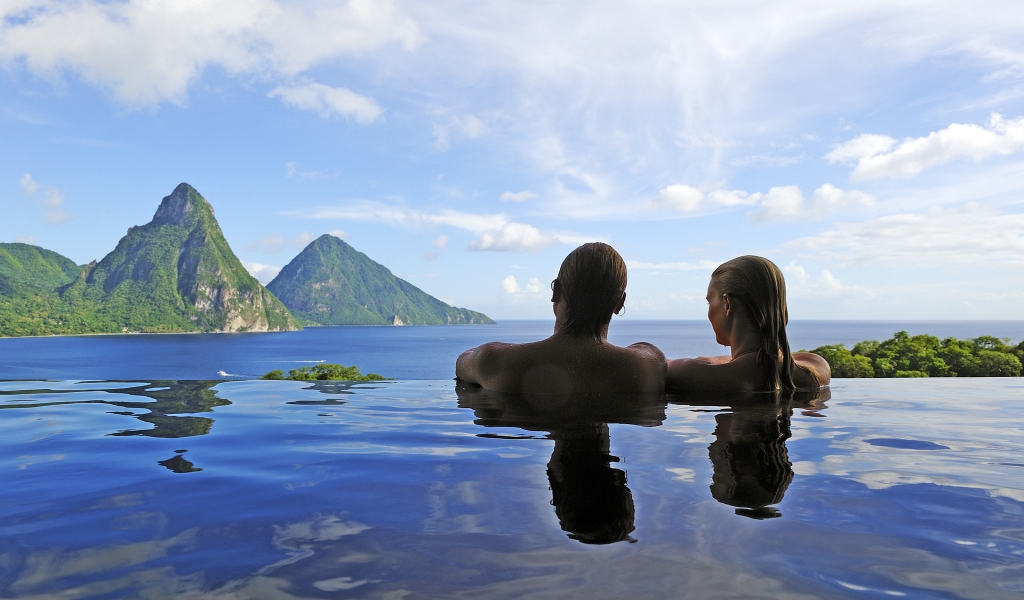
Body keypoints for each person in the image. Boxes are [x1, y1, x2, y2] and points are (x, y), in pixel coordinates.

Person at [456, 242, 666, 395]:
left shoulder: (492, 360)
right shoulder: (648, 367)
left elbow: (463, 362)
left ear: (556, 291)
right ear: (619, 303)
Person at [667, 255, 830, 392]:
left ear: (727, 304)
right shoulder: (816, 370)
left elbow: (655, 363)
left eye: (709, 302)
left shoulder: (697, 374)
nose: (709, 312)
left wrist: (705, 360)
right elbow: (789, 358)